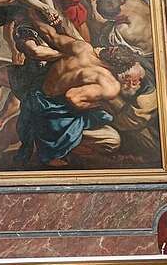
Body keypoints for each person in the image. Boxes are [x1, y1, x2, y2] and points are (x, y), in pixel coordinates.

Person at [15, 11, 121, 167]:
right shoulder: (104, 78)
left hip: (37, 93)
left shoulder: (83, 47)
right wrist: (96, 103)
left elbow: (51, 35)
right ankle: (54, 153)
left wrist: (32, 14)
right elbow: (72, 97)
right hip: (50, 109)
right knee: (102, 117)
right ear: (115, 67)